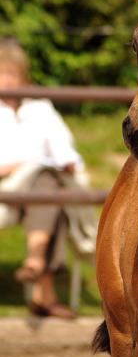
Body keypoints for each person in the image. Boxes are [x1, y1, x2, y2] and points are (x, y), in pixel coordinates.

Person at [0, 38, 97, 319]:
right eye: (2, 73)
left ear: (23, 76)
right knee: (49, 186)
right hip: (6, 190)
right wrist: (22, 165)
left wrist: (66, 163)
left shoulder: (40, 107)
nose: (7, 80)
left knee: (48, 183)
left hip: (39, 190)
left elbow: (64, 149)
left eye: (13, 74)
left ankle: (35, 262)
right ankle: (45, 292)